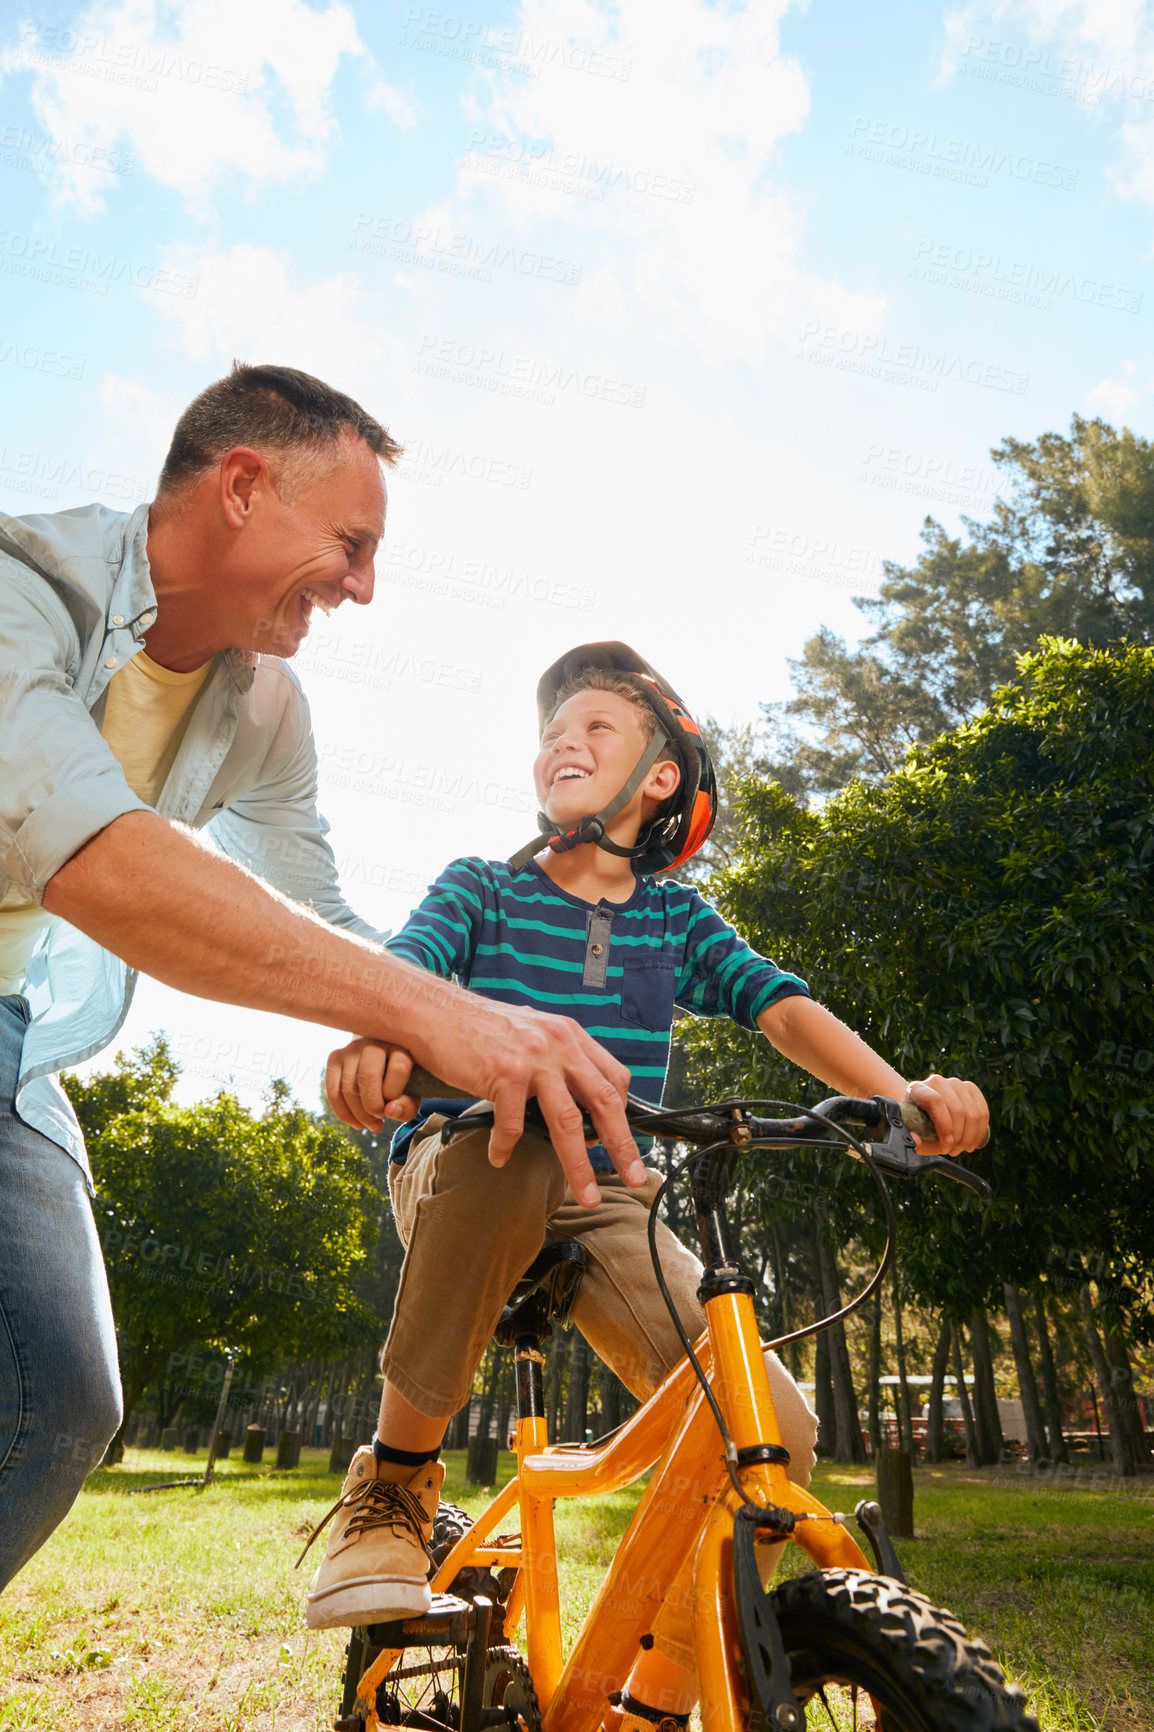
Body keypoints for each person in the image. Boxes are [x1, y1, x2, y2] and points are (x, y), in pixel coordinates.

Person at [0, 368, 640, 1594]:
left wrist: (429, 1017)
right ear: (241, 488)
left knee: (57, 1397)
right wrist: (425, 1010)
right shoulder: (24, 589)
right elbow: (90, 851)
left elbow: (328, 920)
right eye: (350, 544)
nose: (362, 585)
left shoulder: (262, 710)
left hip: (8, 1036)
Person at [314, 642, 988, 1725]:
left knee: (771, 1425)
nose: (559, 744)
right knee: (526, 1126)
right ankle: (394, 1482)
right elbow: (407, 970)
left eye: (592, 727)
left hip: (609, 1196)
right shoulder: (481, 888)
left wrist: (898, 1094)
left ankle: (652, 1700)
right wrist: (377, 1036)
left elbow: (777, 1005)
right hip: (468, 1160)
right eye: (548, 732)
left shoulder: (674, 920)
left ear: (658, 775)